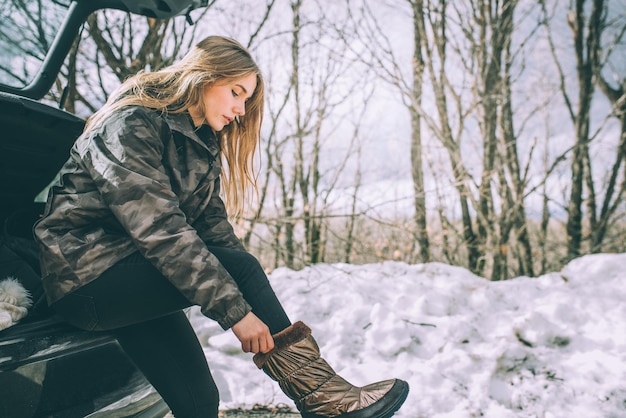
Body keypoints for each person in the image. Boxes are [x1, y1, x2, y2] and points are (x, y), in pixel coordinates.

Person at [34, 36, 409, 418]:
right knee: (240, 269)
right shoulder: (129, 125)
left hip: (136, 275)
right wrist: (237, 311)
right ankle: (323, 398)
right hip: (87, 277)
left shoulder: (198, 144)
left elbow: (212, 229)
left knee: (198, 403)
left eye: (246, 100)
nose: (241, 109)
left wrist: (250, 300)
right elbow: (162, 230)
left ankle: (322, 399)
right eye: (236, 92)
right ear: (203, 77)